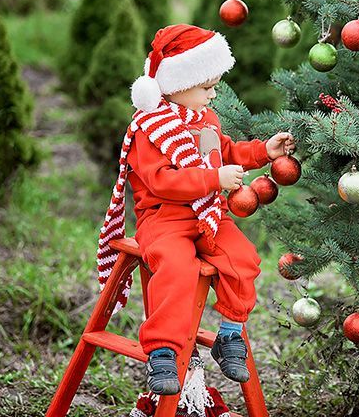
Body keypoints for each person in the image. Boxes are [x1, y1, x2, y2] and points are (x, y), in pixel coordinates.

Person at [96, 24, 295, 396]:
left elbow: (226, 152)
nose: (213, 93)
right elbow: (163, 182)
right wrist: (212, 179)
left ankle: (230, 334)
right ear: (176, 84)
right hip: (164, 219)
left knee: (244, 259)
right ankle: (163, 350)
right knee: (177, 267)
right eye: (206, 87)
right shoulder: (151, 129)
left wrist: (263, 152)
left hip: (207, 216)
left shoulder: (206, 120)